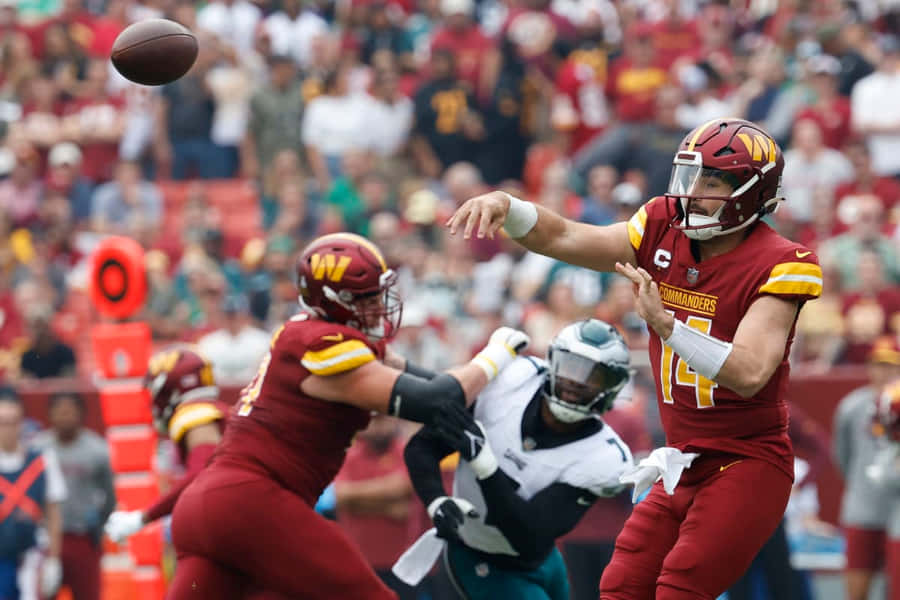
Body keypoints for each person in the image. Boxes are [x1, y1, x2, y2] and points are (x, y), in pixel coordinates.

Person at [447, 117, 823, 599]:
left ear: (750, 192)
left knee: (679, 588)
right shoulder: (663, 224)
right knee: (622, 586)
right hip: (682, 459)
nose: (692, 192)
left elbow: (750, 372)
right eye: (692, 176)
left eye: (710, 181)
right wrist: (509, 206)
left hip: (746, 461)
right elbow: (565, 238)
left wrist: (669, 326)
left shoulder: (782, 262)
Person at [166, 232, 530, 599]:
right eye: (368, 298)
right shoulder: (325, 348)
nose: (379, 306)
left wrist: (481, 382)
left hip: (208, 507)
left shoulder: (309, 334)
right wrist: (494, 355)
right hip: (254, 502)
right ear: (335, 301)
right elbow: (436, 399)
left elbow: (433, 385)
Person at [401, 319, 634, 600]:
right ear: (554, 362)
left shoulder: (605, 456)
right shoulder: (511, 380)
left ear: (612, 386)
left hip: (544, 559)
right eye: (572, 367)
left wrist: (486, 465)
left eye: (592, 376)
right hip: (479, 557)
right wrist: (436, 499)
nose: (576, 382)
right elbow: (422, 447)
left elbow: (530, 537)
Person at [104, 348, 229, 544]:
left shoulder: (197, 415)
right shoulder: (212, 412)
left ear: (171, 388)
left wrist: (143, 517)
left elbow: (200, 475)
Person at [833, 336, 900, 600]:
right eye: (878, 365)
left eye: (892, 366)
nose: (884, 372)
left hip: (896, 512)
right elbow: (843, 455)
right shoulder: (852, 406)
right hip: (862, 509)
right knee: (857, 589)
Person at [32, 393, 115, 600]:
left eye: (70, 411)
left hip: (82, 537)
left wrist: (99, 524)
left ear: (81, 414)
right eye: (59, 411)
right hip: (47, 539)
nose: (65, 416)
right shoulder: (37, 449)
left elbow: (110, 494)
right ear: (49, 415)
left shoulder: (97, 450)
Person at [0, 388, 65, 600]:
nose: (8, 429)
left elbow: (54, 514)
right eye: (2, 422)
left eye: (13, 422)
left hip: (32, 554)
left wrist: (54, 560)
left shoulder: (42, 461)